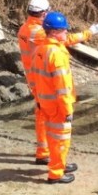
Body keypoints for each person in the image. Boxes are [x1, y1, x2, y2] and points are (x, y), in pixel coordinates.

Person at [17, 0, 98, 165]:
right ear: (43, 13)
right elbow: (65, 39)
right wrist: (89, 32)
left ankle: (44, 153)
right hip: (45, 79)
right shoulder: (41, 34)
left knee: (42, 114)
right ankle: (53, 160)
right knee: (53, 122)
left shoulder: (24, 29)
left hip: (35, 77)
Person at [31, 11, 82, 184]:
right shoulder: (56, 54)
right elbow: (62, 87)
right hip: (57, 105)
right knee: (61, 140)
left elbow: (36, 79)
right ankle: (56, 174)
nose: (66, 32)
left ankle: (59, 164)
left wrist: (38, 100)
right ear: (54, 32)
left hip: (45, 102)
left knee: (53, 138)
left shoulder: (40, 49)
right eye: (63, 30)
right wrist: (68, 109)